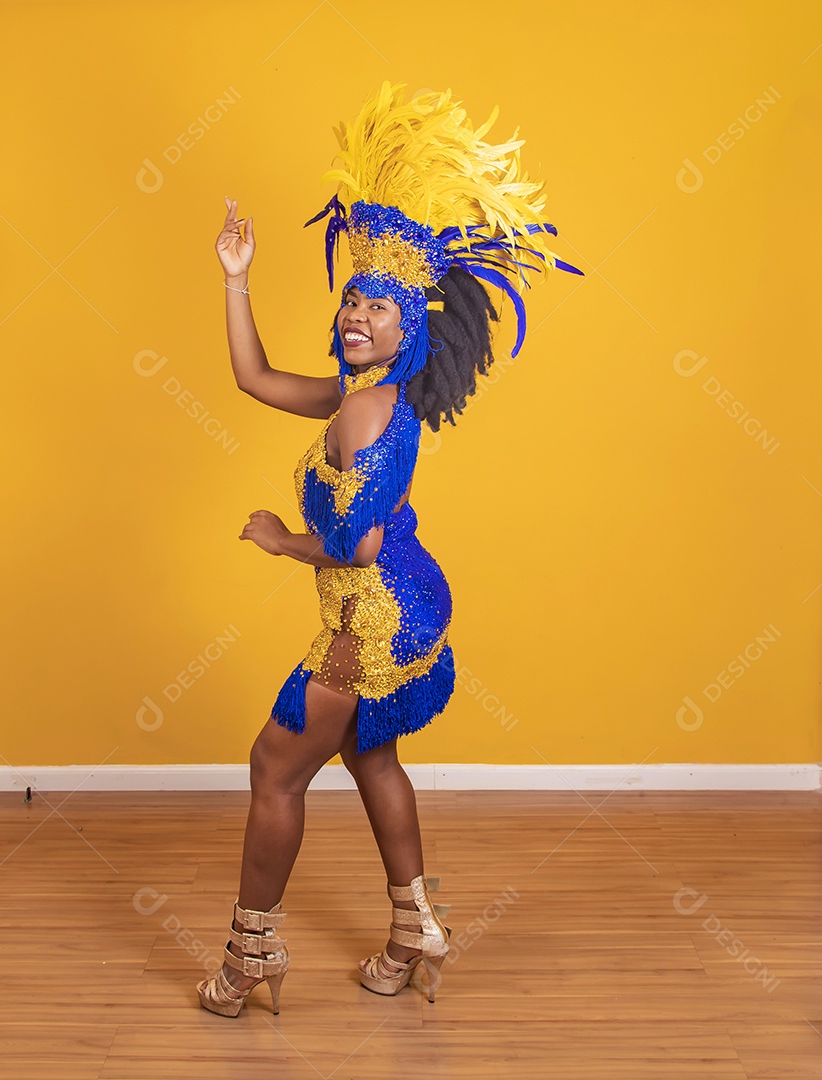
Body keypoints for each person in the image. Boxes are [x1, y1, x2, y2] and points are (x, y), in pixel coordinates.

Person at [197, 82, 582, 1018]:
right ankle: (418, 933)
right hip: (412, 597)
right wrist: (237, 276)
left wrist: (281, 541)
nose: (356, 315)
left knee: (273, 767)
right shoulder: (364, 397)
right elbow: (253, 377)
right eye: (352, 298)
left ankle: (250, 957)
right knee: (372, 759)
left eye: (379, 305)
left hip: (370, 613)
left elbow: (359, 545)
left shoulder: (366, 415)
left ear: (410, 331)